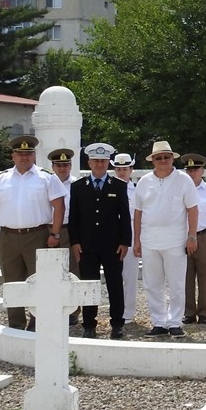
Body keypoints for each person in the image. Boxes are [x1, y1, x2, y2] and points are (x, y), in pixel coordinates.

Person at [0, 135, 67, 330]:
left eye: (28, 154)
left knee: (39, 280)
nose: (24, 158)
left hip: (37, 235)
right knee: (11, 282)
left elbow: (59, 206)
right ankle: (16, 325)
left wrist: (55, 234)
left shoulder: (46, 177)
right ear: (13, 156)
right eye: (20, 154)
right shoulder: (1, 179)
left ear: (34, 155)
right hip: (8, 237)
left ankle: (38, 323)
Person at [133, 140, 199, 338]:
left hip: (175, 239)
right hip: (150, 239)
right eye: (159, 158)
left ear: (172, 158)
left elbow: (193, 209)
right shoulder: (144, 181)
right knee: (152, 283)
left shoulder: (183, 180)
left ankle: (175, 322)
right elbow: (137, 212)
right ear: (153, 160)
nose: (163, 160)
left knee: (177, 282)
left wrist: (192, 236)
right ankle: (159, 321)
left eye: (166, 157)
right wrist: (137, 240)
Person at [68, 142, 131, 339]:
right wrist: (75, 242)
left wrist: (125, 242)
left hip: (112, 245)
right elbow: (74, 218)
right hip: (87, 246)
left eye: (103, 161)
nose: (99, 164)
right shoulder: (78, 187)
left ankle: (117, 323)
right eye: (96, 161)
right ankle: (89, 324)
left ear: (108, 163)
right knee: (89, 285)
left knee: (115, 284)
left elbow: (125, 216)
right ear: (89, 162)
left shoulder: (119, 186)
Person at [181, 153, 206, 325]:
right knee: (185, 277)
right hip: (184, 236)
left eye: (195, 169)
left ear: (202, 170)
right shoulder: (180, 190)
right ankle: (188, 312)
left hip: (204, 236)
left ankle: (204, 313)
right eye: (189, 170)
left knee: (205, 277)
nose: (192, 173)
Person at [47, 147, 81, 326]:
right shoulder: (45, 182)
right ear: (52, 166)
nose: (62, 169)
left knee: (72, 271)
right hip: (48, 229)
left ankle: (73, 312)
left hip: (70, 230)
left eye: (66, 165)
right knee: (48, 270)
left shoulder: (78, 185)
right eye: (59, 165)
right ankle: (49, 307)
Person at [111, 152, 140, 324]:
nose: (122, 172)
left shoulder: (137, 190)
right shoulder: (109, 187)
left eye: (125, 169)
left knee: (130, 275)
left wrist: (139, 240)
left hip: (132, 233)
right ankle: (116, 311)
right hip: (113, 234)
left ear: (131, 169)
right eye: (118, 169)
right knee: (114, 276)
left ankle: (128, 312)